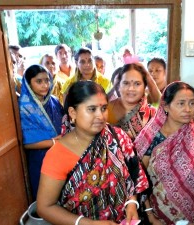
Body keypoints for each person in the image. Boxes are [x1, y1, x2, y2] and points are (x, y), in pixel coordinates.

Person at [37, 81, 149, 225]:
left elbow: (134, 174)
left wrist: (131, 203)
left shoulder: (117, 137)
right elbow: (45, 207)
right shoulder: (57, 155)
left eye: (103, 108)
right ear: (73, 113)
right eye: (91, 109)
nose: (100, 116)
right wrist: (87, 223)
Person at [134, 81, 194, 225]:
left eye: (192, 103)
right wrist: (150, 217)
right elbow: (138, 179)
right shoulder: (151, 137)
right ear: (166, 106)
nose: (188, 109)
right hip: (155, 217)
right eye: (181, 103)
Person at [19, 64, 64, 200]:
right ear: (28, 83)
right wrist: (54, 142)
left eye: (47, 80)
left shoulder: (54, 101)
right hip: (39, 159)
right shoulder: (24, 108)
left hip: (60, 154)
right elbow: (26, 143)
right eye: (39, 81)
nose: (45, 85)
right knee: (46, 196)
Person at [107, 63, 160, 140]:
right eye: (126, 83)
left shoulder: (153, 115)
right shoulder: (105, 110)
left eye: (137, 84)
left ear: (145, 87)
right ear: (119, 86)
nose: (131, 88)